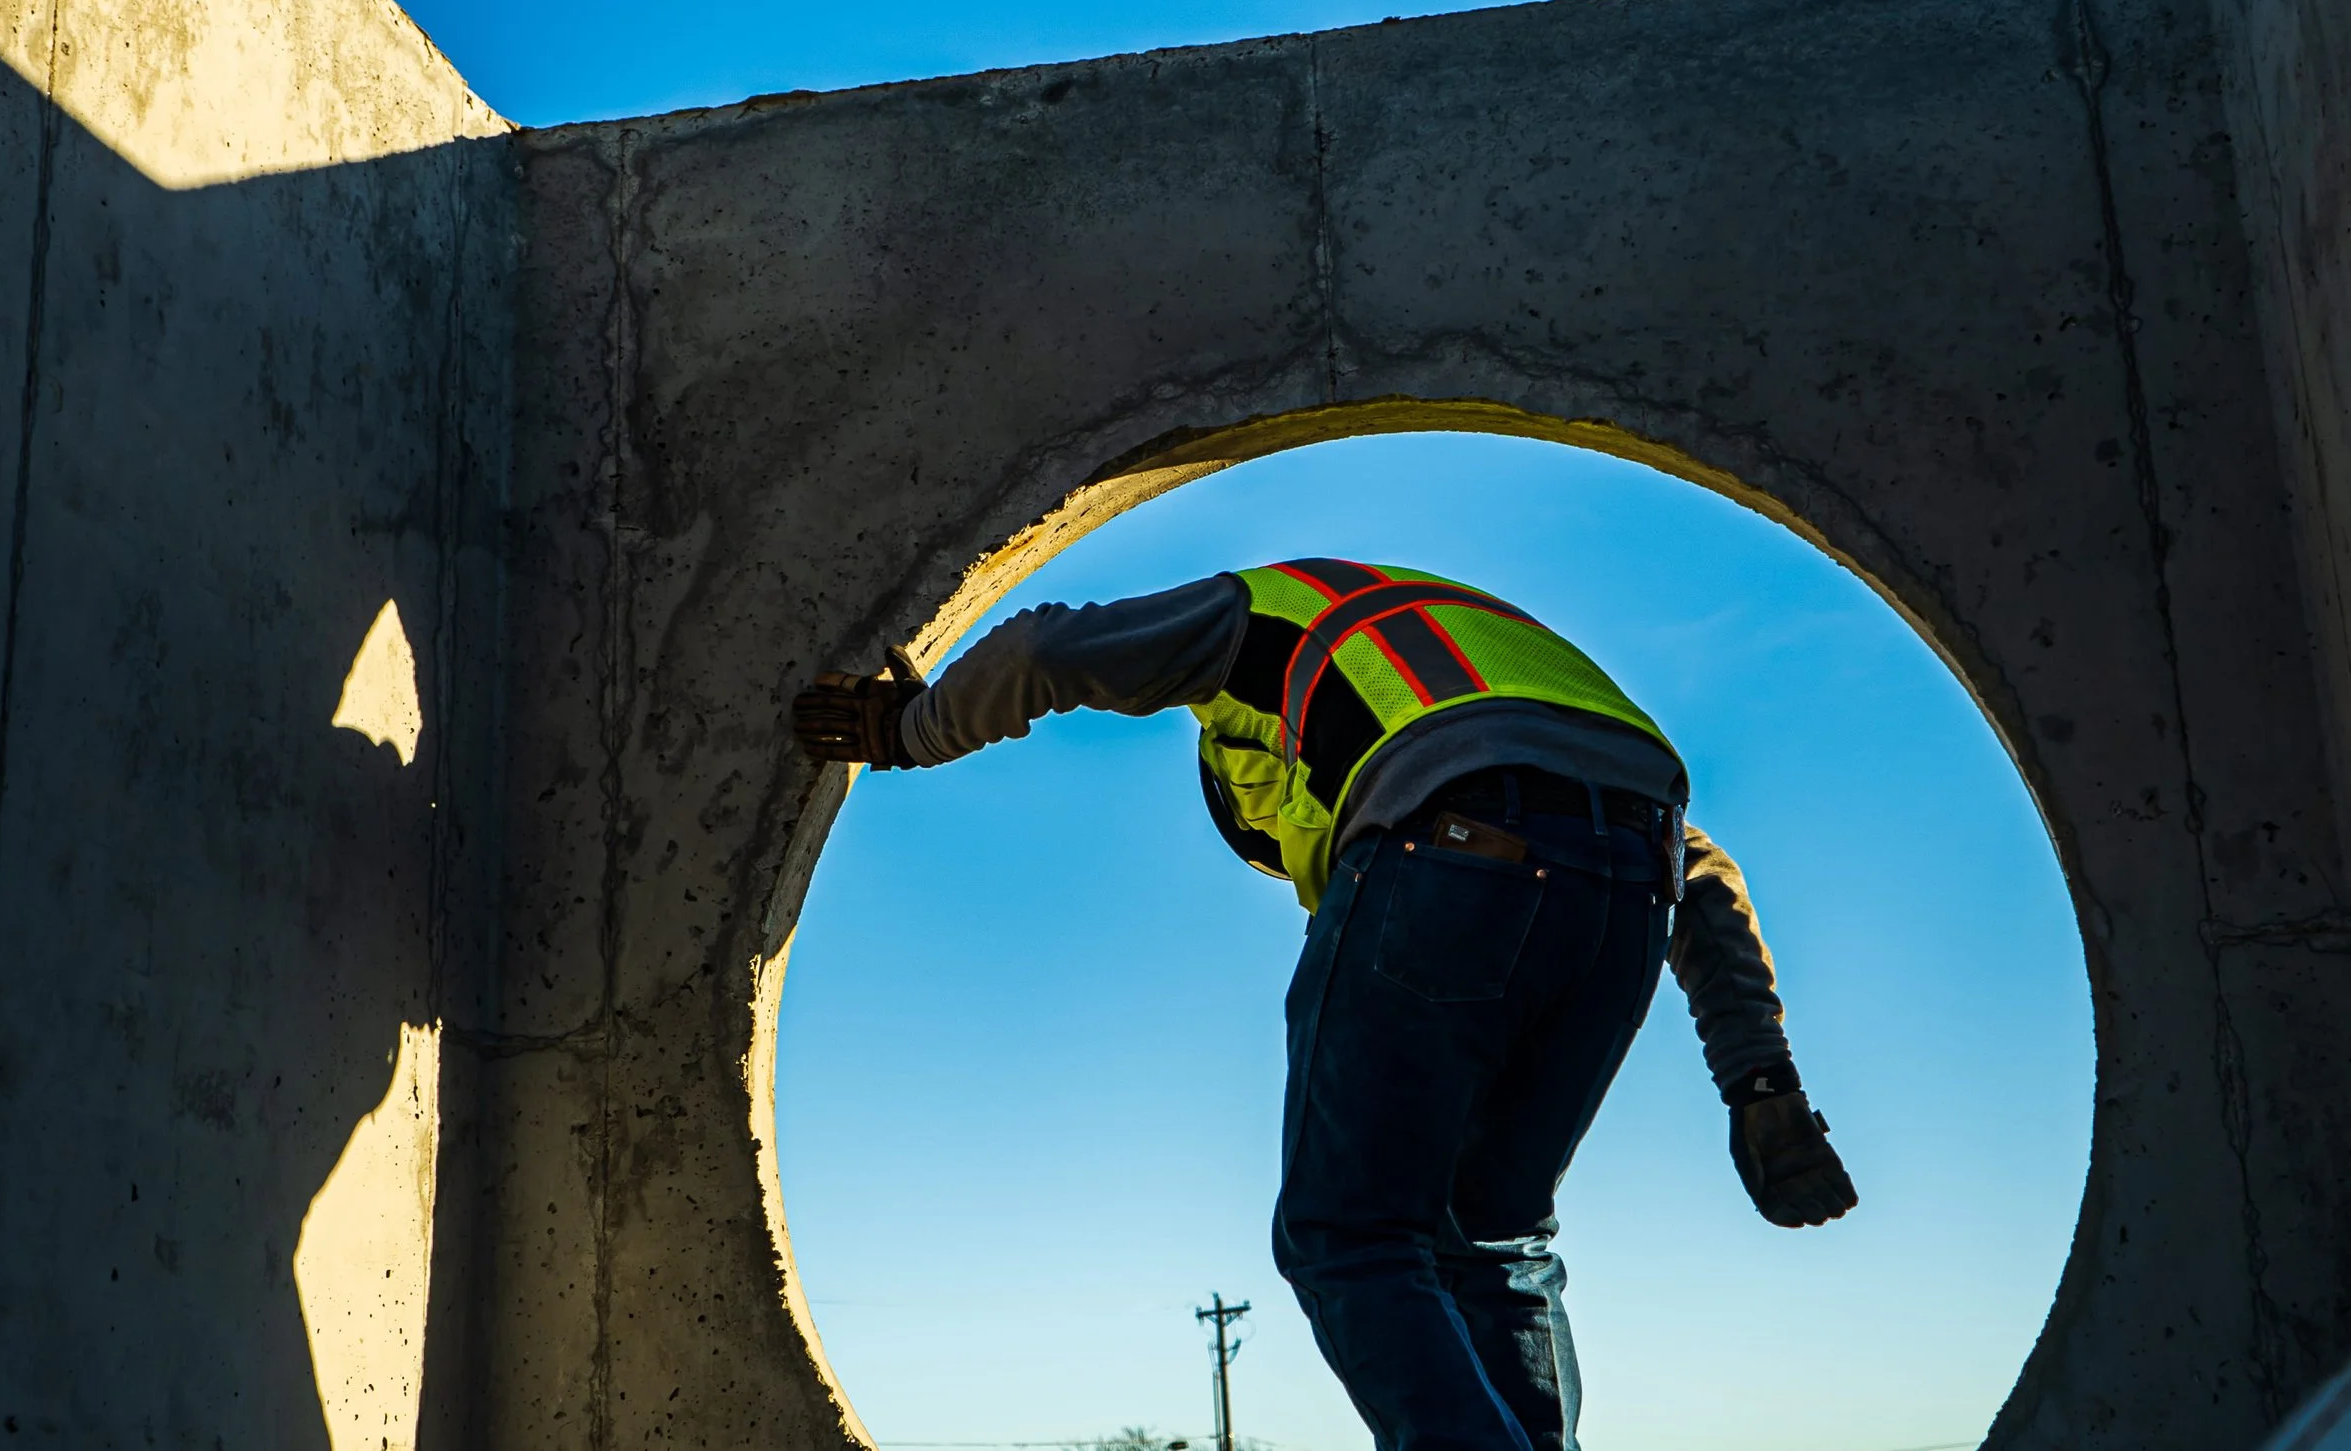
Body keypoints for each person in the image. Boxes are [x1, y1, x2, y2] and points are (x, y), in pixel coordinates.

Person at [792, 559, 1857, 1451]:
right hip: (1630, 874)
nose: (1298, 878)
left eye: (1270, 843)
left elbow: (1040, 651)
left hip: (1443, 846)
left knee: (1348, 1231)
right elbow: (1697, 874)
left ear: (1242, 765)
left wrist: (910, 729)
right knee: (1495, 1240)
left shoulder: (1256, 624)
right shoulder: (1492, 652)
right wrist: (1760, 1078)